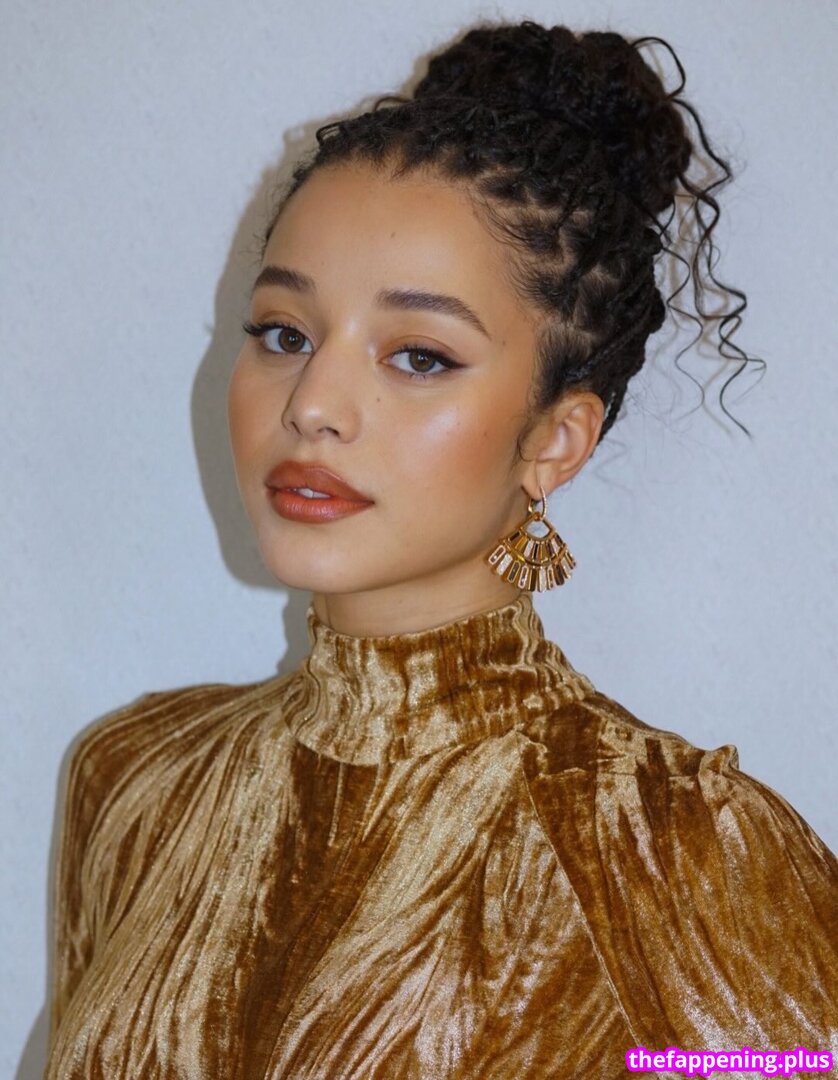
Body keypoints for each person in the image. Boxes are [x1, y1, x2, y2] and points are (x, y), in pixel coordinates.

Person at [44, 18, 836, 1079]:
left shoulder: (676, 853)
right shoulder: (137, 778)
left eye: (418, 356)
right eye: (284, 333)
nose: (313, 404)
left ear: (555, 440)